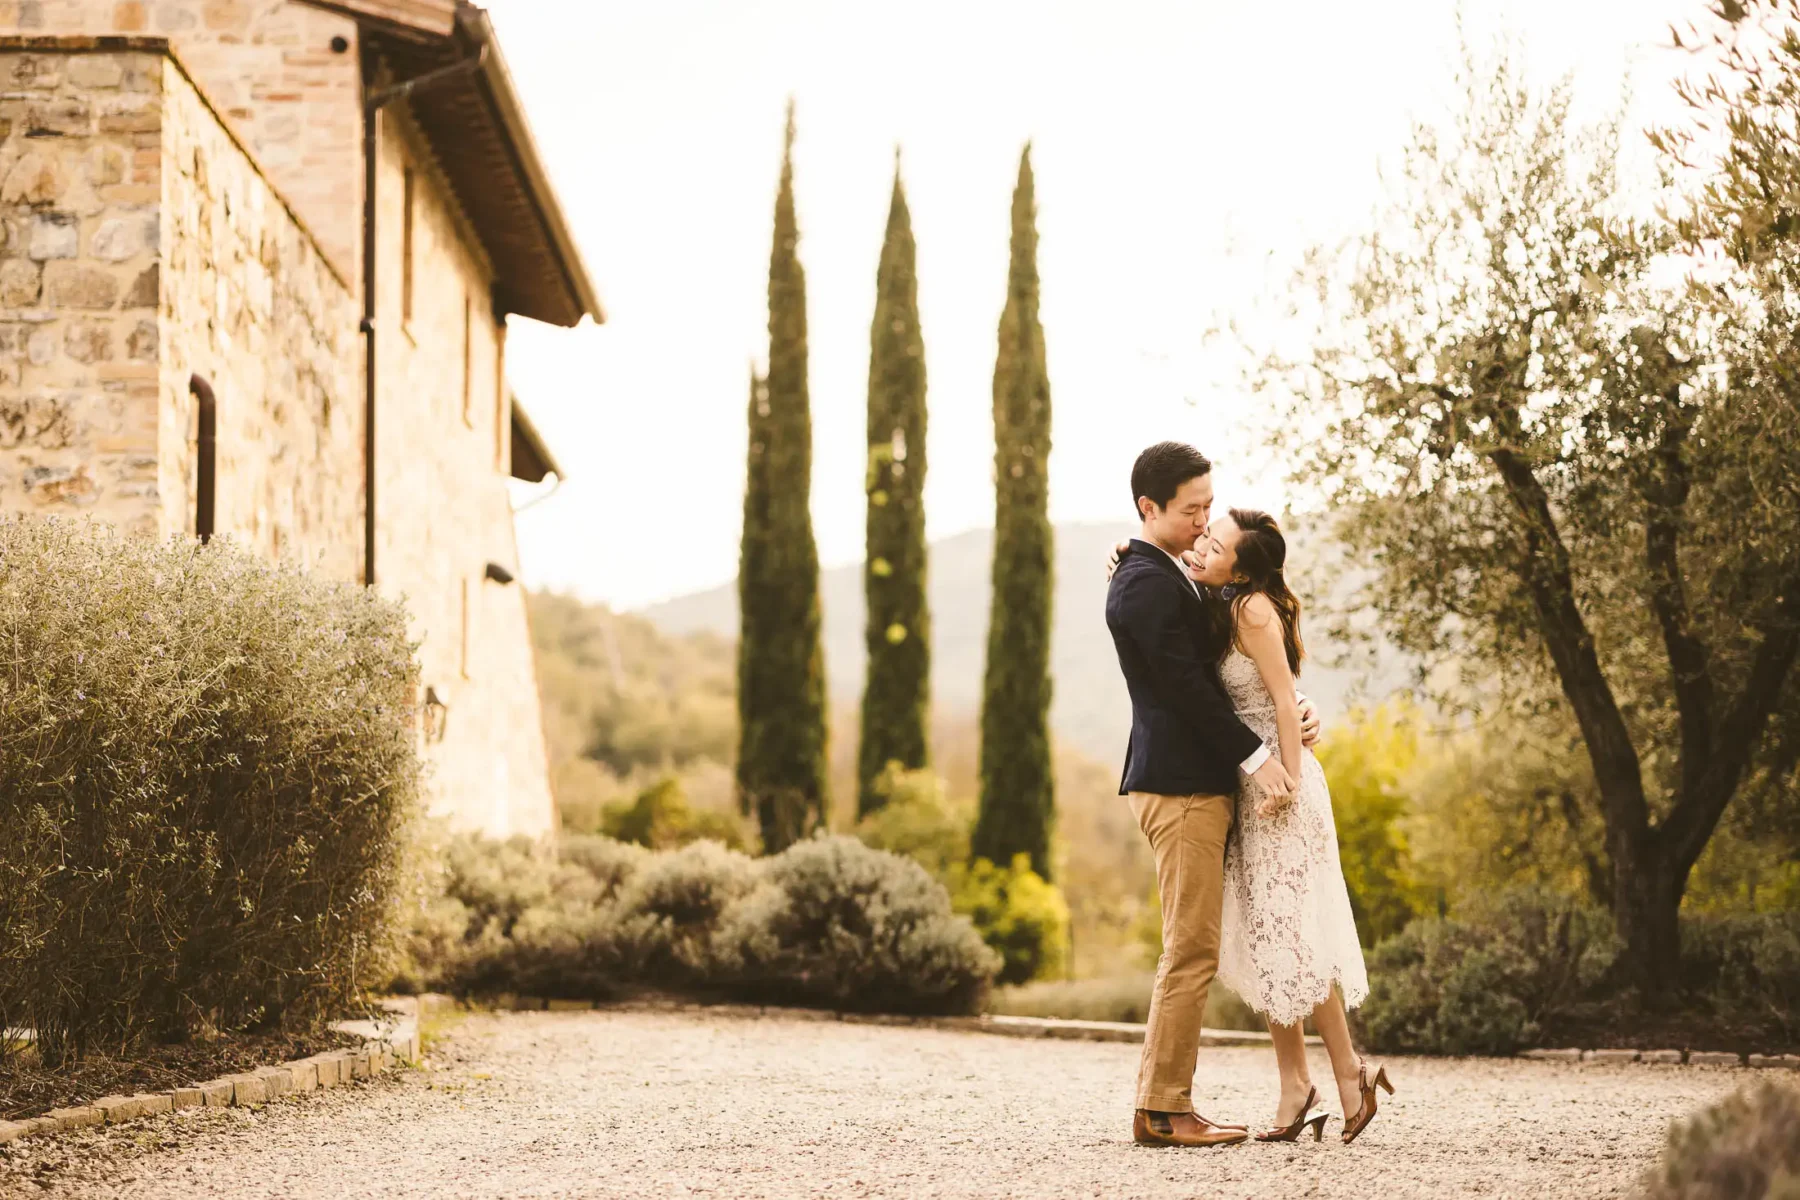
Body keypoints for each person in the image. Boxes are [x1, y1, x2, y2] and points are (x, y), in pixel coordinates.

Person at [1102, 441, 1322, 1148]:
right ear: (1149, 508)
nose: (1203, 523)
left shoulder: (1162, 573)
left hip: (1195, 781)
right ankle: (1166, 1111)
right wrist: (1261, 758)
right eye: (1192, 510)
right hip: (1181, 785)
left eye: (1208, 507)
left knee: (1190, 946)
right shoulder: (1143, 582)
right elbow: (1187, 689)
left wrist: (1294, 707)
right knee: (1190, 951)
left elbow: (1234, 660)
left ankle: (1160, 1105)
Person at [1192, 507, 1391, 1146]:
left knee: (1292, 936)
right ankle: (1295, 1084)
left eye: (1216, 542)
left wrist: (1289, 784)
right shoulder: (1222, 601)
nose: (1204, 542)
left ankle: (1346, 1072)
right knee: (1269, 936)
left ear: (1242, 567)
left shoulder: (1251, 610)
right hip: (1252, 785)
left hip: (1281, 788)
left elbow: (1283, 698)